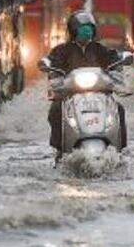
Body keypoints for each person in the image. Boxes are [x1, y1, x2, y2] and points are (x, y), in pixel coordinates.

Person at [45, 11, 123, 159]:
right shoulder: (62, 51)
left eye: (89, 27)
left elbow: (114, 61)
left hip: (99, 94)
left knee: (119, 109)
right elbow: (52, 66)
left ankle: (119, 149)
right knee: (55, 110)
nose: (86, 30)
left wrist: (118, 69)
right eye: (82, 27)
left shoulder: (100, 49)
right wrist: (54, 76)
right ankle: (60, 149)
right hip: (70, 94)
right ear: (73, 30)